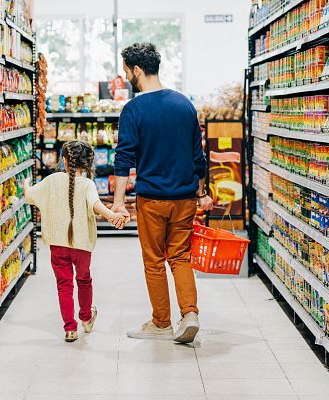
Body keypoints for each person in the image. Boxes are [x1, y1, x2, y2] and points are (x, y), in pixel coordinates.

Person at [111, 42, 213, 344]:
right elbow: (199, 156)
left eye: (127, 70)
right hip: (184, 199)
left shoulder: (133, 110)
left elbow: (124, 158)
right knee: (180, 257)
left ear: (137, 70)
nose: (126, 75)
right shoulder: (184, 104)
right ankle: (190, 314)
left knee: (154, 260)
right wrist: (202, 190)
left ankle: (161, 323)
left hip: (152, 200)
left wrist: (118, 204)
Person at [25, 140, 127, 342]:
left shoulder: (52, 180)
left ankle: (70, 329)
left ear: (64, 160)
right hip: (81, 245)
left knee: (64, 285)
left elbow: (30, 196)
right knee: (84, 280)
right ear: (89, 163)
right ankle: (86, 319)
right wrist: (111, 216)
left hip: (57, 244)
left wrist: (26, 185)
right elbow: (95, 204)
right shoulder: (88, 184)